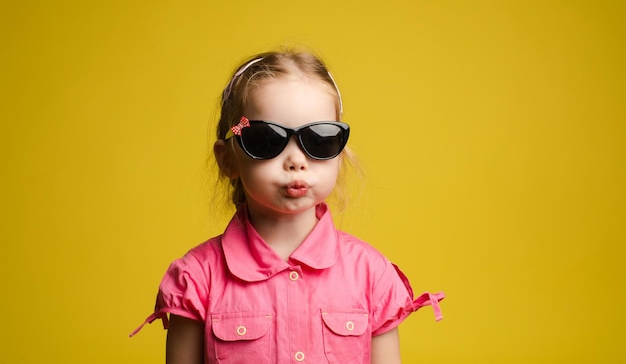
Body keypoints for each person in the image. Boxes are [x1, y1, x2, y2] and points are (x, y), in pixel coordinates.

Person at [131, 49, 444, 364]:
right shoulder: (197, 279)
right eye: (266, 139)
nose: (296, 161)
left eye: (320, 140)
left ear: (340, 152)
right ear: (228, 159)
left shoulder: (371, 274)